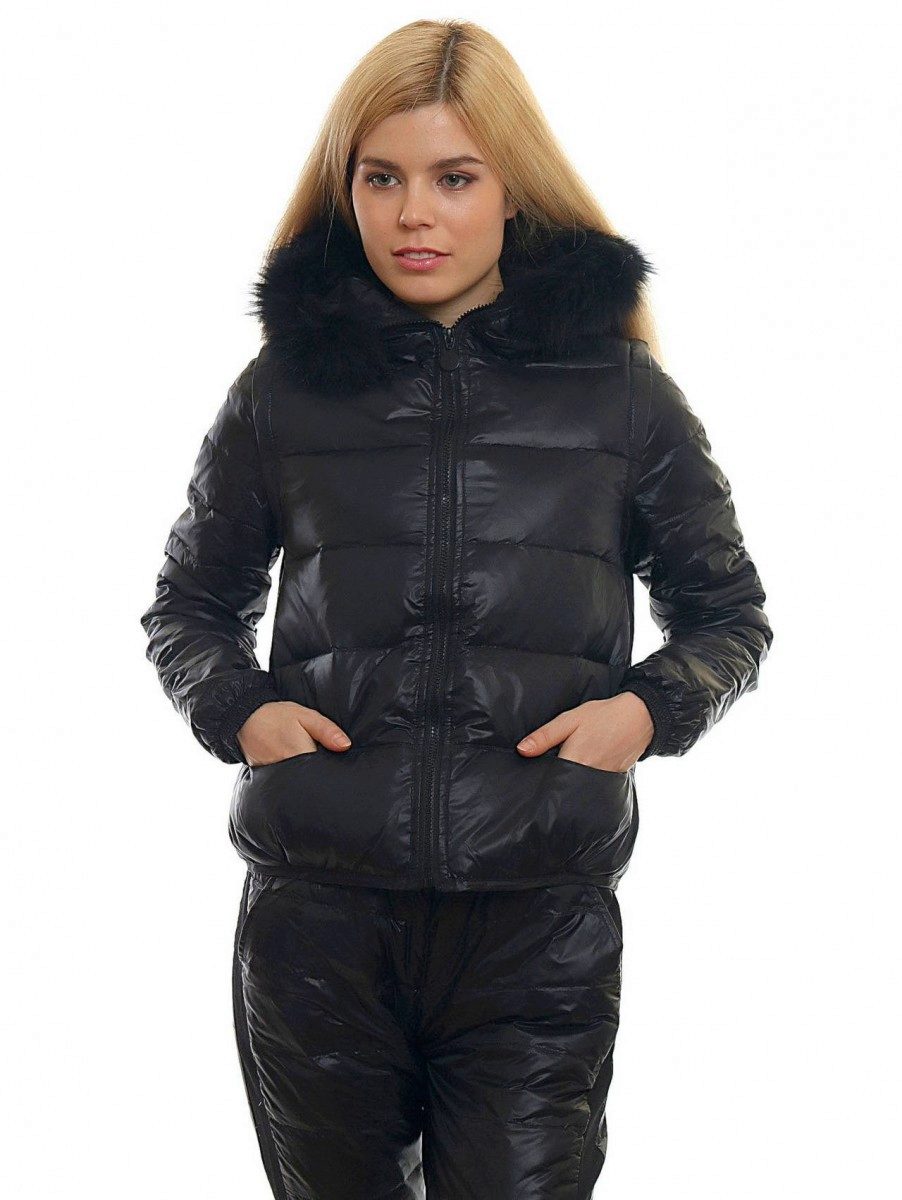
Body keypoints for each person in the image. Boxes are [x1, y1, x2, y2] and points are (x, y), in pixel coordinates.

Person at [139, 18, 774, 1200]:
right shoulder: (282, 391)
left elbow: (725, 612)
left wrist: (643, 712)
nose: (412, 215)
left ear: (511, 189)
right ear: (347, 190)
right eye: (380, 178)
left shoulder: (621, 396)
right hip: (317, 919)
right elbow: (188, 605)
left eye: (453, 178)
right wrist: (238, 710)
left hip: (534, 925)